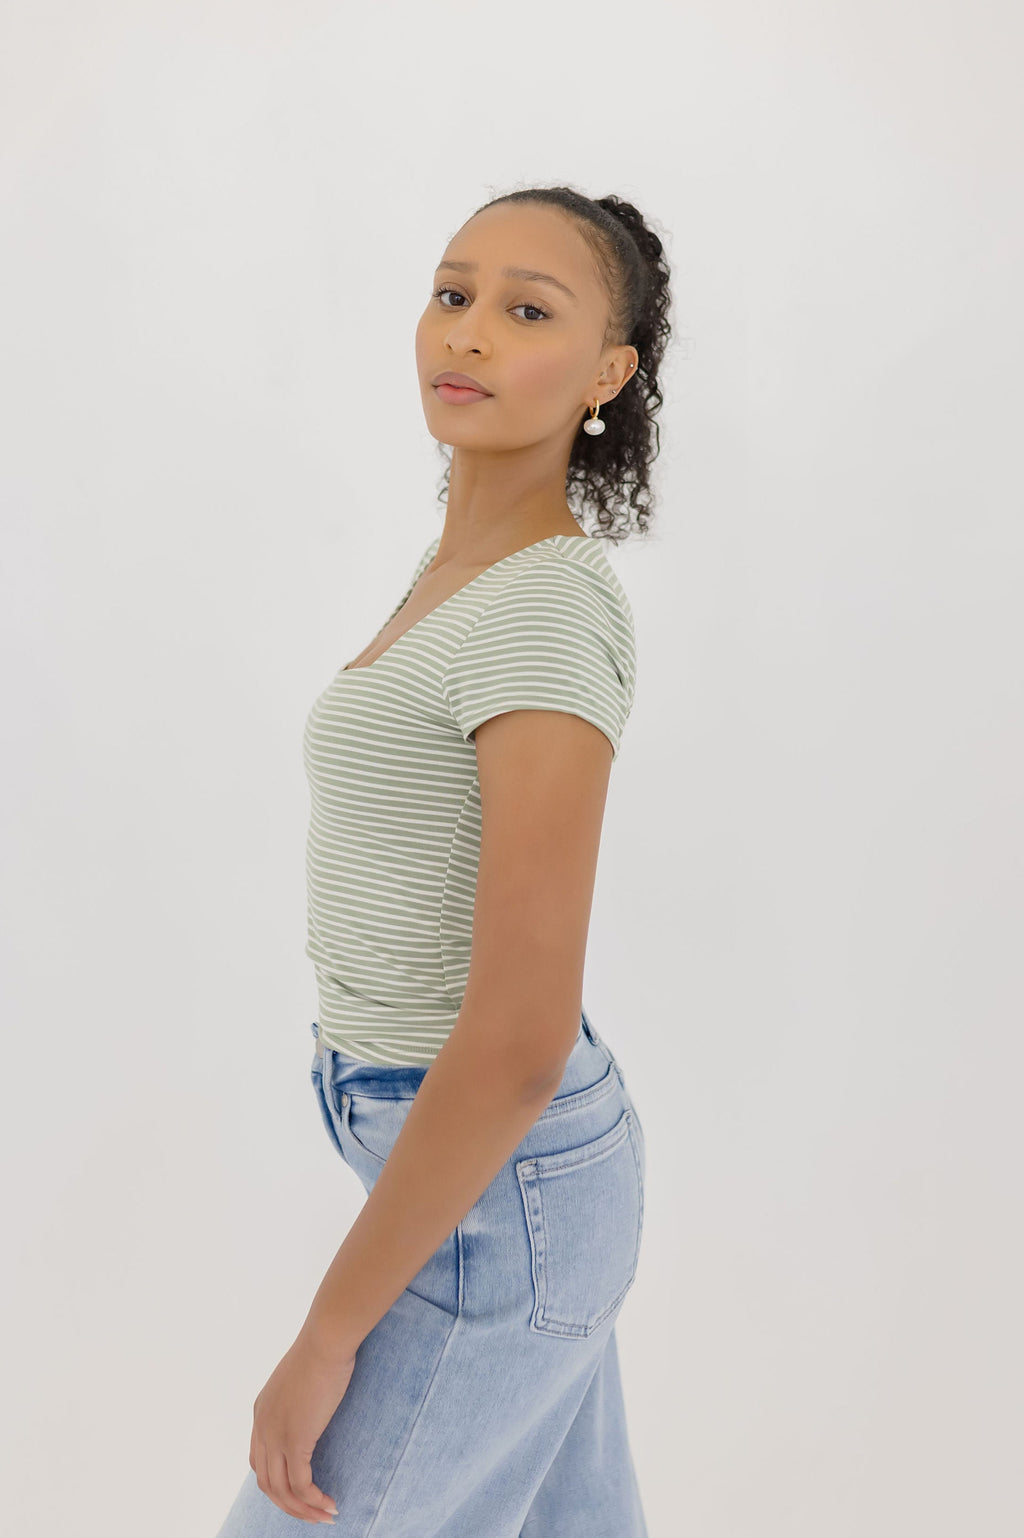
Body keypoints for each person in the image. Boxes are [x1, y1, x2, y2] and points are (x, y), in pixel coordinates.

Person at [215, 183, 673, 1537]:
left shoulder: (543, 607)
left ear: (607, 375)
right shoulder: (462, 568)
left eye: (528, 312)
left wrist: (326, 1337)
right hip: (489, 1168)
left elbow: (521, 1035)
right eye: (453, 293)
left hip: (498, 1181)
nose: (467, 332)